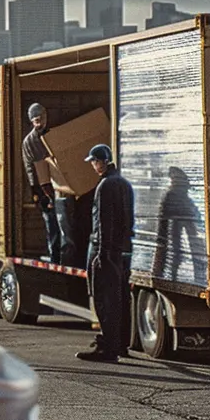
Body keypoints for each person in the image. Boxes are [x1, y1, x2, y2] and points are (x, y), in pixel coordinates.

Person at [77, 144, 134, 363]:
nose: (93, 166)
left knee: (103, 299)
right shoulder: (124, 184)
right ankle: (121, 345)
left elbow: (103, 221)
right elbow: (126, 221)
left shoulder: (104, 186)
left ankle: (107, 349)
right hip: (122, 250)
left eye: (94, 162)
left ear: (102, 162)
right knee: (120, 299)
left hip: (104, 249)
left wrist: (102, 252)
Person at [22, 103, 68, 265]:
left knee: (64, 226)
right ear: (32, 121)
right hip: (45, 189)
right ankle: (55, 258)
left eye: (43, 118)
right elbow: (31, 169)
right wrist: (38, 194)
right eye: (37, 119)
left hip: (61, 186)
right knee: (52, 226)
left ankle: (64, 257)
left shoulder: (53, 134)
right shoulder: (30, 141)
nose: (41, 122)